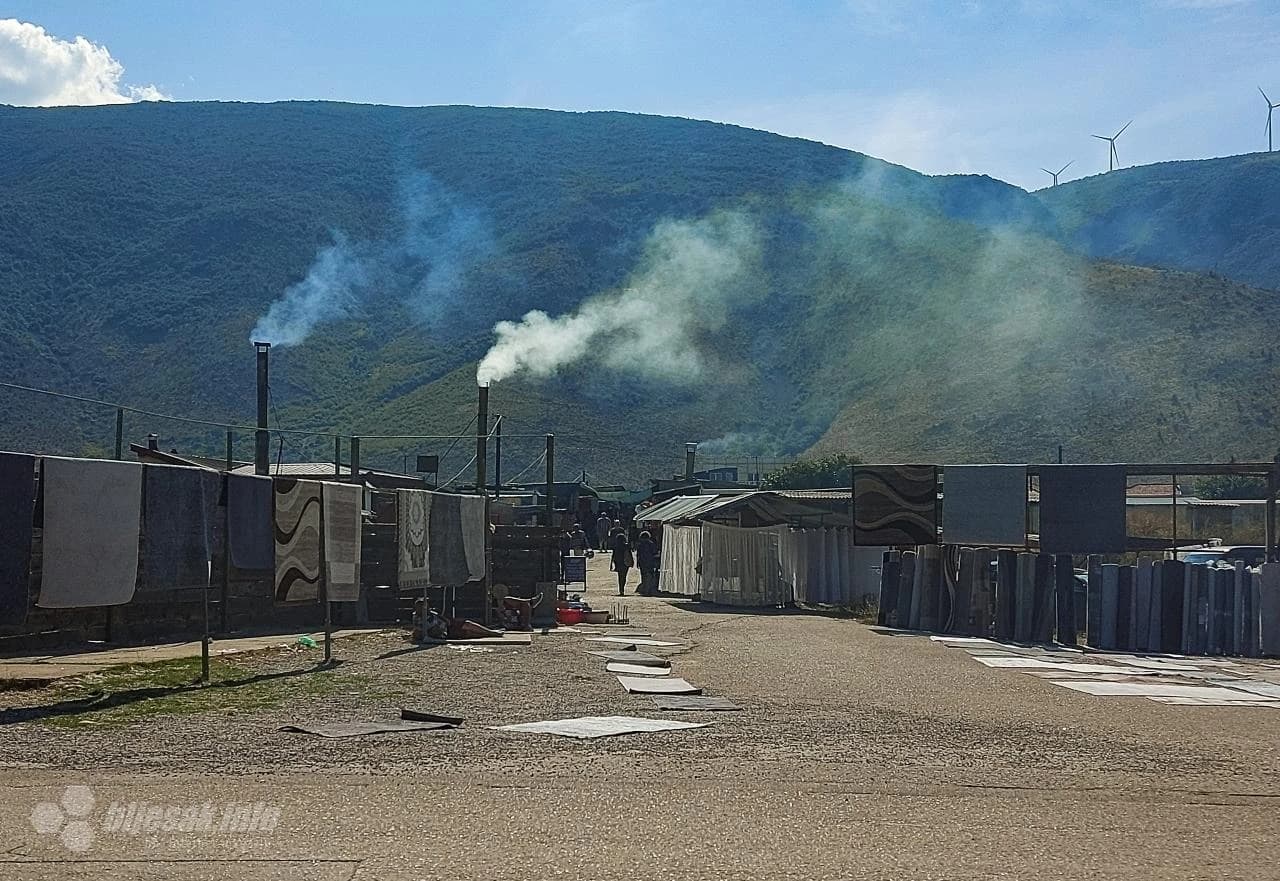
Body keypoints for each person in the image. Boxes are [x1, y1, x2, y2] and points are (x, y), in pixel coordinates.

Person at [610, 527, 633, 595]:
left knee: (620, 576)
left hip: (618, 562)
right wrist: (632, 561)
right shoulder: (626, 546)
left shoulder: (616, 546)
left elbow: (613, 555)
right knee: (624, 576)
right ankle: (622, 588)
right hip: (625, 562)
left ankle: (621, 589)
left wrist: (611, 563)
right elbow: (630, 554)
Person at [636, 530, 660, 596]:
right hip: (650, 562)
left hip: (642, 562)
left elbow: (638, 555)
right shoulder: (651, 544)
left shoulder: (640, 544)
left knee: (643, 576)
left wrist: (637, 563)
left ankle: (645, 589)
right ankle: (648, 590)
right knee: (650, 576)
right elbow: (654, 553)